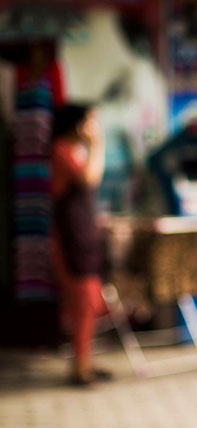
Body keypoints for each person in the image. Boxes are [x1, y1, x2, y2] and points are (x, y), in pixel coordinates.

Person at [50, 104, 109, 386]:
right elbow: (89, 178)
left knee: (91, 302)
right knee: (82, 301)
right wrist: (98, 144)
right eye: (91, 121)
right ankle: (79, 367)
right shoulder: (62, 150)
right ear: (77, 125)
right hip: (70, 239)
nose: (95, 127)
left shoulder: (75, 151)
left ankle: (84, 361)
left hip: (83, 237)